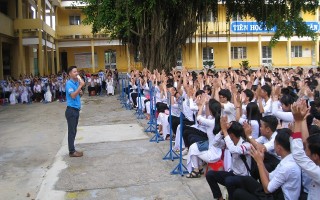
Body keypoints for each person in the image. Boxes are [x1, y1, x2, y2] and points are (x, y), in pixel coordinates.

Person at [65, 66, 85, 157]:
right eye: (74, 72)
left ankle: (72, 149)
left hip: (76, 109)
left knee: (74, 131)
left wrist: (80, 92)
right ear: (70, 74)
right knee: (71, 131)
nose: (76, 73)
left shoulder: (76, 82)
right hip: (71, 110)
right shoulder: (69, 83)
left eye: (77, 71)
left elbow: (77, 95)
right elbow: (72, 95)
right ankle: (72, 151)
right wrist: (80, 86)